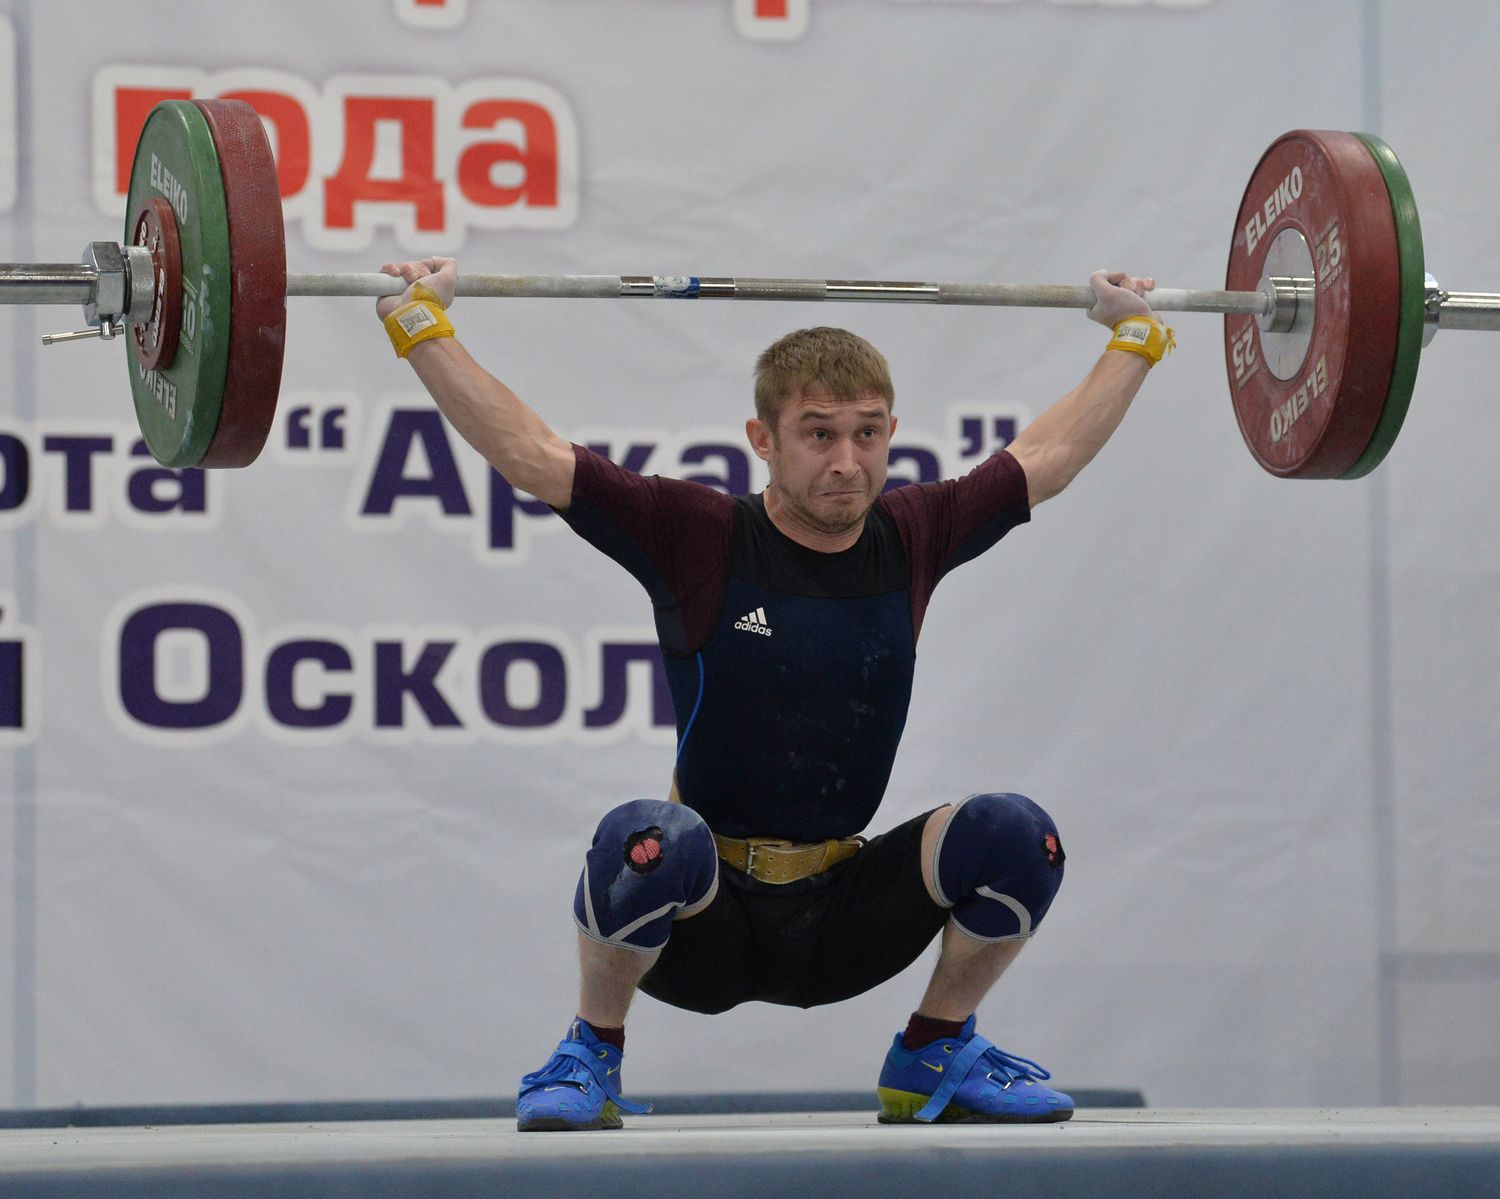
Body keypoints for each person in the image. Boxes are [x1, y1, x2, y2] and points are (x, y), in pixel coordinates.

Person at [376, 258, 1172, 1130]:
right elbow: (530, 453)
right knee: (647, 835)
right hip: (704, 919)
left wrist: (1134, 337)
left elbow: (1048, 457)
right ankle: (591, 1052)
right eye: (818, 434)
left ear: (892, 431)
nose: (847, 461)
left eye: (867, 433)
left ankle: (934, 1048)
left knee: (1019, 834)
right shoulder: (700, 535)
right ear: (764, 437)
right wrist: (421, 325)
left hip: (844, 918)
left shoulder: (913, 533)